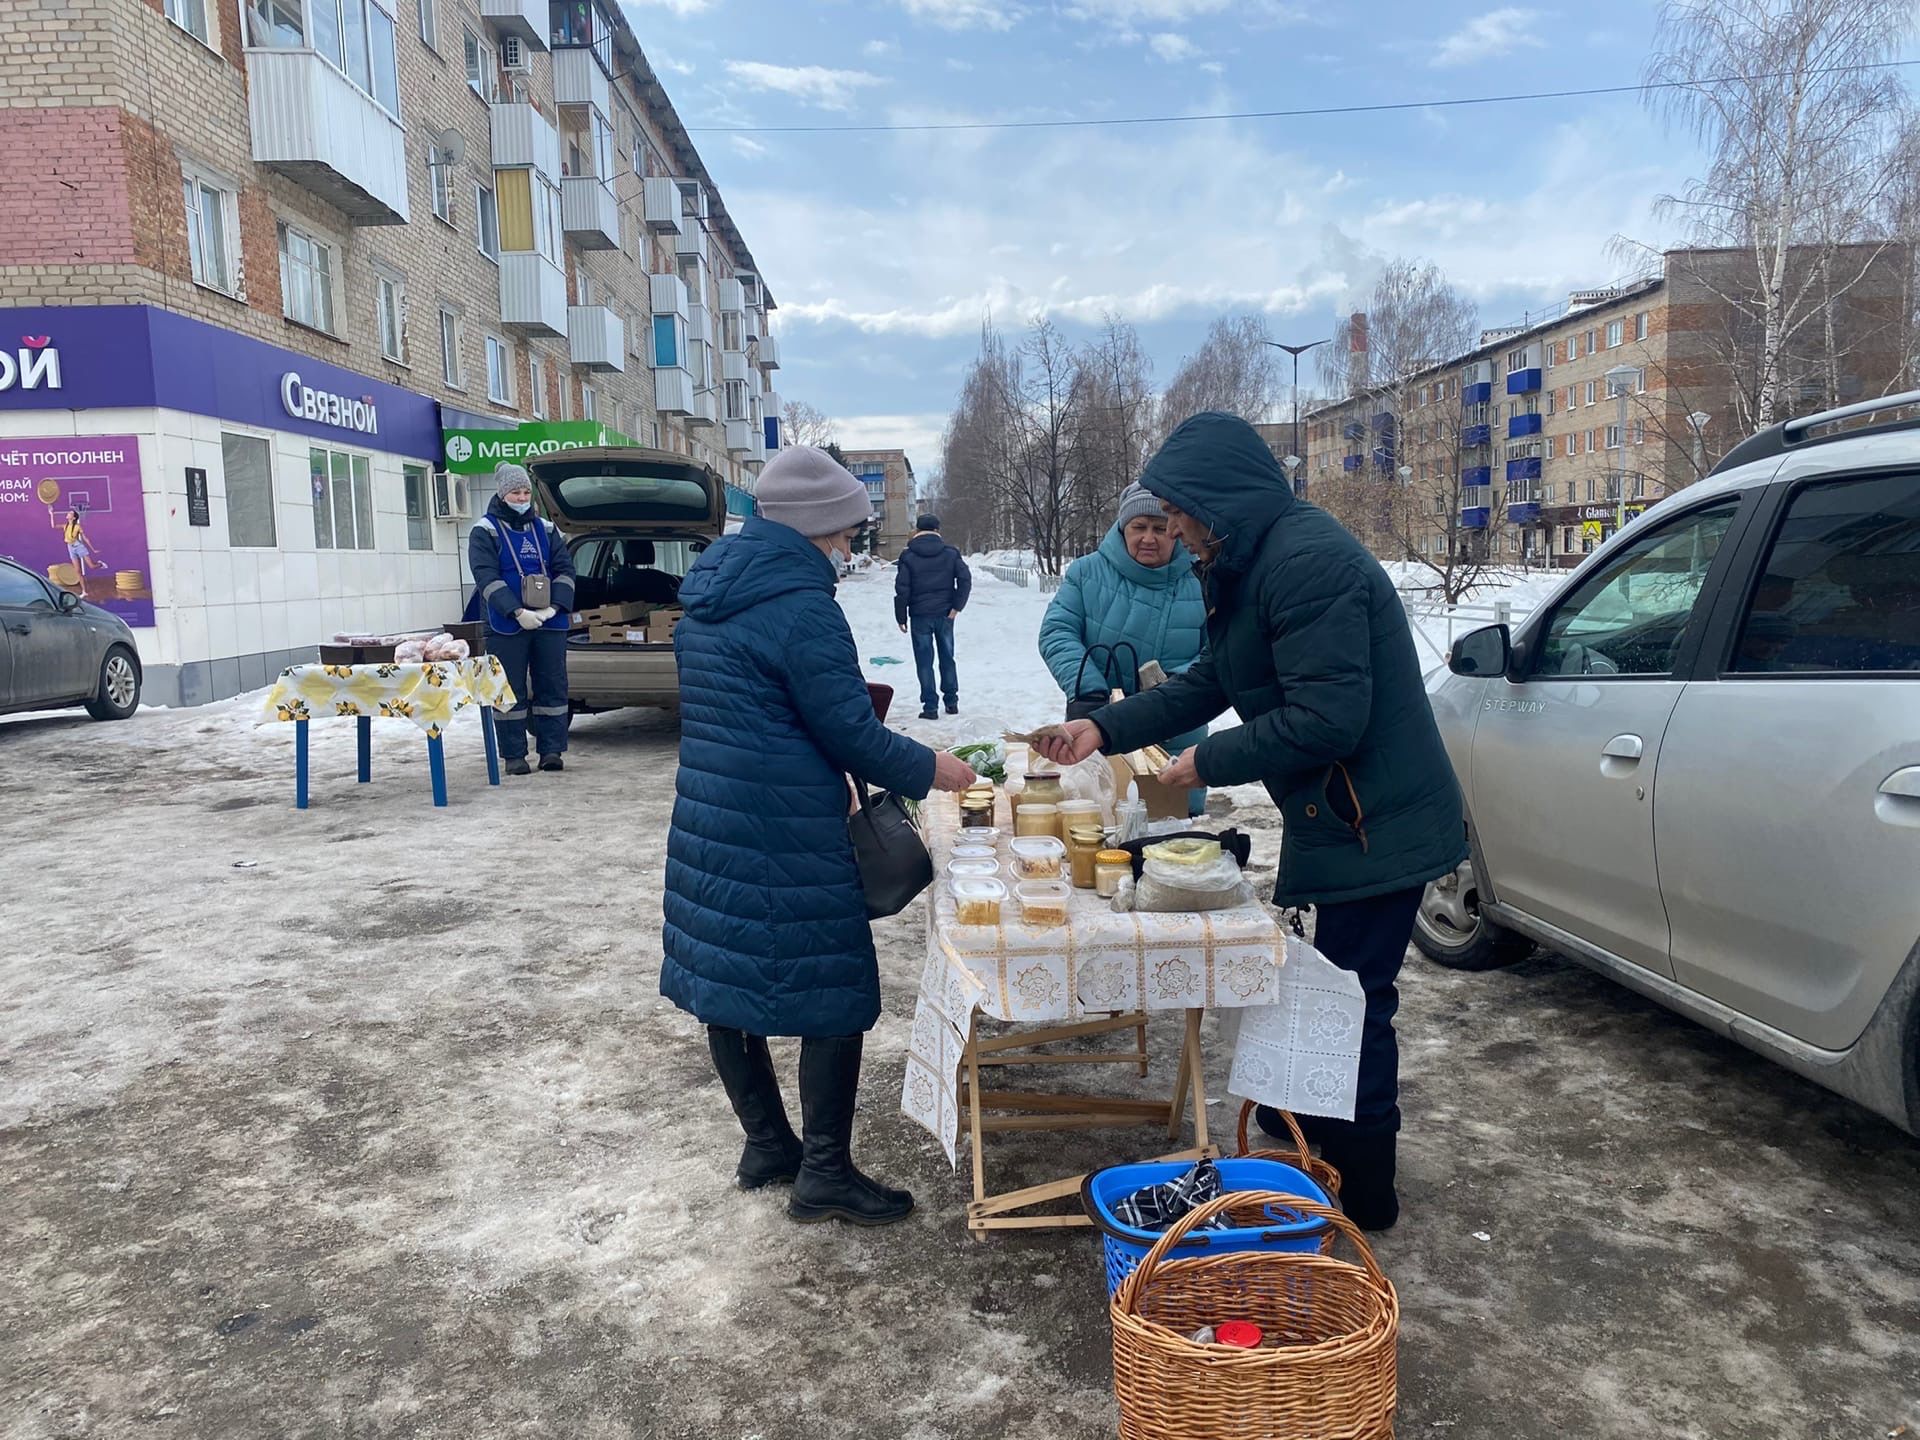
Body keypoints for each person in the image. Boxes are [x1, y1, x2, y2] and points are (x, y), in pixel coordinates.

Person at [1032, 412, 1466, 1231]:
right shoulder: (1252, 558)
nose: (1177, 530)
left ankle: (1365, 1189)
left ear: (1217, 502)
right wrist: (1107, 726)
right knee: (1326, 981)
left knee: (1357, 997)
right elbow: (1209, 681)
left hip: (1378, 821)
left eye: (1183, 513)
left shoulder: (1307, 564)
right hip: (1342, 812)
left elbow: (1330, 717)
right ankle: (1305, 1126)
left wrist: (1209, 762)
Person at [662, 447, 978, 1227]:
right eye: (842, 535)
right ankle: (825, 1174)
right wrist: (937, 768)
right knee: (833, 993)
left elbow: (760, 709)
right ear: (814, 530)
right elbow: (850, 736)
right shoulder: (802, 606)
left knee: (726, 981)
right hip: (786, 827)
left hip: (711, 817)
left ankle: (769, 1145)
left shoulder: (708, 595)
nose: (846, 550)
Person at [1039, 482, 1209, 816]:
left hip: (1177, 723)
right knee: (1100, 821)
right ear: (1122, 527)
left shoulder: (1202, 576)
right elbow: (1057, 632)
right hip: (1098, 722)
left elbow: (1217, 649)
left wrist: (1178, 687)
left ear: (1176, 529)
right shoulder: (1087, 573)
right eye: (1139, 527)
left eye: (1160, 528)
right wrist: (1087, 688)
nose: (1149, 538)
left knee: (1174, 831)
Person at [467, 462, 576, 775]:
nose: (521, 496)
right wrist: (517, 611)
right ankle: (514, 755)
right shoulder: (484, 530)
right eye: (515, 491)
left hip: (549, 622)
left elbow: (565, 570)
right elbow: (485, 576)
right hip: (507, 624)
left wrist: (553, 608)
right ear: (502, 494)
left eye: (526, 491)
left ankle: (551, 751)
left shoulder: (547, 528)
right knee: (509, 689)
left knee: (552, 686)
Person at [893, 513, 971, 720]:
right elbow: (965, 580)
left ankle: (930, 707)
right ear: (937, 530)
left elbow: (902, 589)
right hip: (946, 615)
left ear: (917, 530)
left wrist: (901, 616)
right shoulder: (951, 553)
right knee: (947, 657)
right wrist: (956, 607)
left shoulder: (908, 556)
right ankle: (952, 702)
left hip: (919, 616)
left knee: (924, 661)